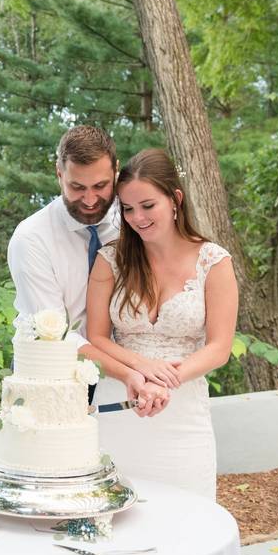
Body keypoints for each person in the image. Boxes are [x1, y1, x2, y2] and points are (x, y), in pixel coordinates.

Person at [86, 148, 238, 500]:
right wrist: (138, 372)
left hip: (183, 412)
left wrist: (167, 381)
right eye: (127, 208)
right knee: (112, 513)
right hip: (122, 401)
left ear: (175, 200)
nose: (137, 217)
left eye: (147, 205)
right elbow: (94, 337)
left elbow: (219, 347)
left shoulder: (214, 262)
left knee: (187, 518)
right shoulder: (109, 259)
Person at [8, 126, 169, 414]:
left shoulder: (133, 221)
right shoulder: (30, 239)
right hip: (52, 373)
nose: (91, 200)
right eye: (77, 187)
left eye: (100, 186)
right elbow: (55, 334)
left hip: (127, 370)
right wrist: (130, 371)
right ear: (59, 174)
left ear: (116, 173)